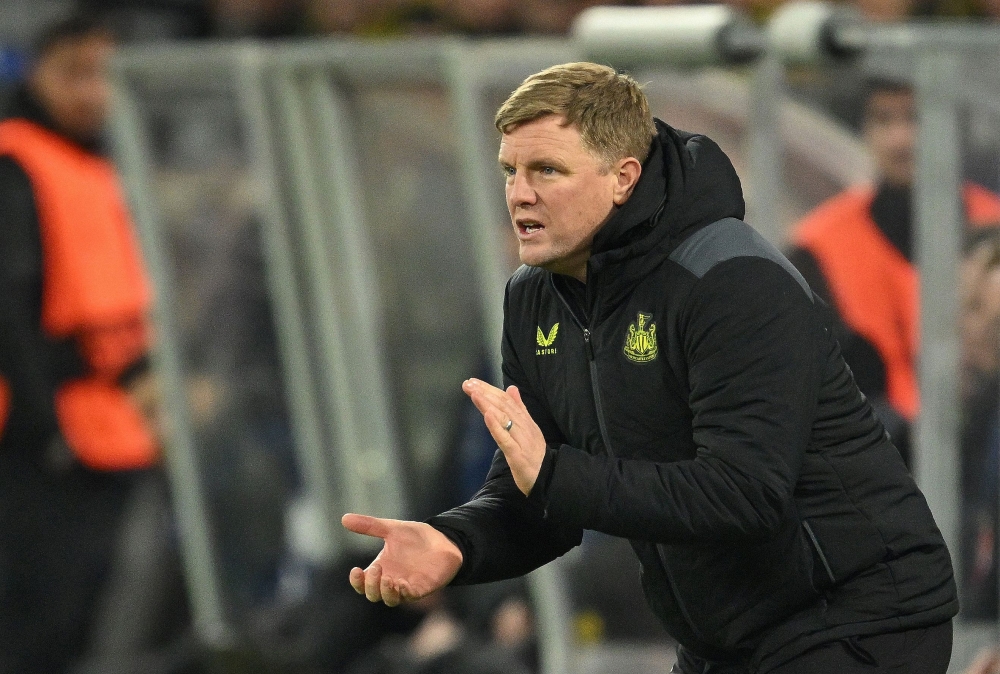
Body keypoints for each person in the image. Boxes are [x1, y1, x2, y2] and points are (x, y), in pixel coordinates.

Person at [342, 62, 958, 674]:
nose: (519, 194)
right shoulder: (533, 298)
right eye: (510, 171)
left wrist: (556, 478)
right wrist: (456, 542)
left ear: (622, 178)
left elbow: (742, 492)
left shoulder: (731, 280)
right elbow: (537, 494)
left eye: (547, 170)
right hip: (723, 640)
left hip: (859, 617)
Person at [0, 14, 163, 673]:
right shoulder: (16, 162)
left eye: (104, 75)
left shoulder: (96, 160)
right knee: (39, 617)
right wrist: (46, 430)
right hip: (42, 435)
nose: (91, 93)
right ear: (34, 70)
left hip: (106, 421)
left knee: (87, 613)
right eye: (73, 73)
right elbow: (12, 312)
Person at [787, 77, 1000, 466]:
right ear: (864, 130)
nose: (900, 140)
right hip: (873, 460)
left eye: (914, 118)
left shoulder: (993, 225)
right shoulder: (817, 246)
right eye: (883, 120)